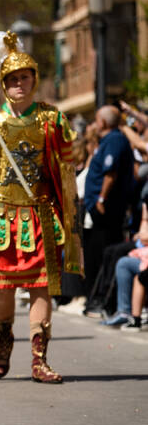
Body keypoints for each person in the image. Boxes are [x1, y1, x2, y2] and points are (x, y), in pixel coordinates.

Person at [0, 30, 81, 384]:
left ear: (34, 79)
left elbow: (66, 172)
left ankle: (39, 360)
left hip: (41, 218)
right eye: (12, 78)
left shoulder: (53, 120)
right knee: (3, 292)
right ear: (3, 83)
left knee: (41, 288)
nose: (19, 83)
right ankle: (5, 334)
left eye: (25, 77)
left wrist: (70, 218)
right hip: (1, 219)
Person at [82, 105, 135, 299]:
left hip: (107, 209)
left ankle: (102, 297)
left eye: (96, 120)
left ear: (103, 122)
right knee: (96, 251)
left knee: (104, 250)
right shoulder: (106, 141)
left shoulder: (114, 140)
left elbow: (110, 174)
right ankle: (96, 296)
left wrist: (101, 199)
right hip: (100, 209)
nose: (95, 124)